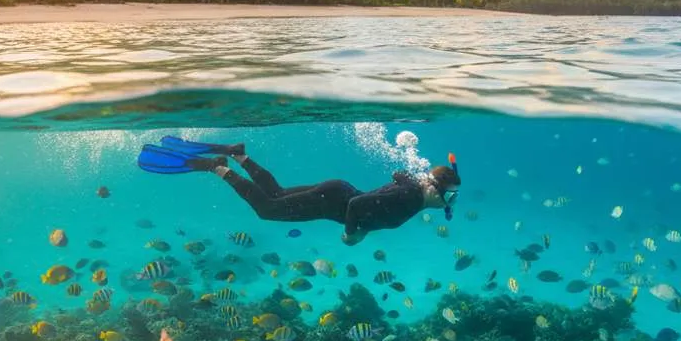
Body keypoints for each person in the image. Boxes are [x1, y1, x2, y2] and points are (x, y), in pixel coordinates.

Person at [137, 137, 460, 245]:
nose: (451, 203)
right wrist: (353, 235)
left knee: (275, 193)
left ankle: (239, 154)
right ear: (438, 189)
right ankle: (216, 166)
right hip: (333, 202)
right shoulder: (410, 199)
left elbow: (398, 173)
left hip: (335, 191)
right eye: (452, 196)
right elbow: (360, 205)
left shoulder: (413, 189)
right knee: (267, 209)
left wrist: (412, 178)